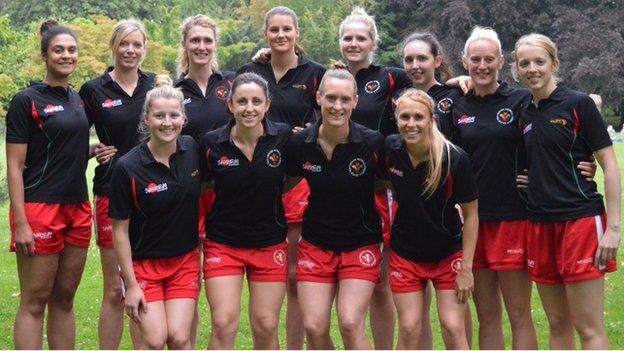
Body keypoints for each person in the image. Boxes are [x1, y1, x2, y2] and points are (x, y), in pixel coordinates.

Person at [513, 33, 620, 349]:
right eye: (525, 63)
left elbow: (609, 166)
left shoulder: (578, 104)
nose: (532, 69)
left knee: (588, 328)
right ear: (517, 69)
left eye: (539, 62)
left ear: (554, 64)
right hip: (539, 225)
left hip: (580, 223)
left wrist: (613, 229)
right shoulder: (523, 111)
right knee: (558, 324)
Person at [237, 6, 325, 348]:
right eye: (274, 30)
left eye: (287, 29)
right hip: (256, 183)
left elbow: (333, 117)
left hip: (297, 182)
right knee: (264, 274)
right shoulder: (249, 70)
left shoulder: (314, 73)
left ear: (297, 33)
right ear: (265, 34)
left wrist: (311, 131)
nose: (280, 36)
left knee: (293, 277)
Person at [451, 26, 539, 349]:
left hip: (512, 218)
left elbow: (549, 137)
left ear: (501, 60)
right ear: (465, 61)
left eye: (489, 59)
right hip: (472, 223)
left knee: (518, 313)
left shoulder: (520, 100)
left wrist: (579, 164)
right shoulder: (457, 105)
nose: (483, 65)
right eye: (476, 59)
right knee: (487, 315)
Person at [284, 69, 385, 349]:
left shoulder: (373, 143)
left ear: (355, 101)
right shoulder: (299, 143)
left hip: (360, 243)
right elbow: (280, 185)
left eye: (344, 99)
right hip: (316, 244)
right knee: (314, 328)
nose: (337, 106)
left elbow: (397, 185)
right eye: (330, 98)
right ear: (318, 98)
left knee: (351, 324)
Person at [6, 20, 91, 349]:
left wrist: (92, 150)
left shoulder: (78, 99)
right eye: (58, 50)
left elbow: (61, 148)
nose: (66, 55)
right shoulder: (26, 101)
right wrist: (22, 223)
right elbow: (14, 166)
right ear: (45, 55)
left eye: (71, 50)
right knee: (34, 300)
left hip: (78, 208)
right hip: (40, 208)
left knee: (65, 299)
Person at [335, 9, 412, 347]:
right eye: (348, 38)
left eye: (360, 38)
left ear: (373, 43)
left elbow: (427, 95)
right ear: (340, 43)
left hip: (382, 188)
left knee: (381, 282)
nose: (353, 43)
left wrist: (458, 81)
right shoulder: (330, 79)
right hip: (339, 189)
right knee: (351, 280)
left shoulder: (391, 78)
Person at [199, 72, 291, 349]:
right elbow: (203, 186)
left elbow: (293, 178)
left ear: (267, 105)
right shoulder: (211, 142)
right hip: (223, 244)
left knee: (266, 324)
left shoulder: (283, 137)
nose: (249, 108)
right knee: (224, 322)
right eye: (242, 101)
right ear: (230, 105)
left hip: (269, 242)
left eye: (255, 101)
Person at [79, 20, 155, 349]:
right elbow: (71, 140)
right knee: (115, 287)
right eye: (124, 44)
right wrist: (94, 150)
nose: (130, 50)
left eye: (136, 44)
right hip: (111, 191)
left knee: (144, 282)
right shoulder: (93, 90)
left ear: (144, 49)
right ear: (113, 46)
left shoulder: (156, 84)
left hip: (154, 192)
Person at [109, 76, 200, 349]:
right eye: (159, 116)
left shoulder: (192, 150)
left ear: (183, 118)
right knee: (155, 339)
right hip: (144, 267)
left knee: (180, 338)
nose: (167, 122)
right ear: (147, 118)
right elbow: (120, 230)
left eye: (174, 115)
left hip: (184, 262)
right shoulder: (127, 167)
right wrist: (131, 284)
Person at [386, 88, 478, 349]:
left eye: (418, 117)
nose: (411, 124)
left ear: (431, 120)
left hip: (447, 254)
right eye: (405, 117)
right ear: (396, 119)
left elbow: (471, 215)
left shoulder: (454, 158)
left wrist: (467, 269)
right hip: (405, 253)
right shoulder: (391, 149)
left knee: (452, 326)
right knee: (409, 327)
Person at [401, 30, 475, 348]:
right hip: (413, 220)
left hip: (452, 210)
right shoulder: (399, 94)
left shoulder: (455, 96)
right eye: (409, 59)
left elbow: (480, 139)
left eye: (422, 58)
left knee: (453, 321)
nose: (416, 64)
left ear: (438, 61)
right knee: (412, 323)